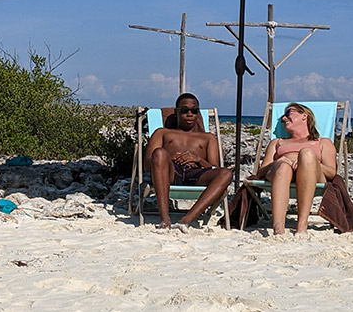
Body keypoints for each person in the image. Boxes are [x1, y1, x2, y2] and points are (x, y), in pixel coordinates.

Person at [144, 93, 233, 232]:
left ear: (198, 113)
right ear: (176, 112)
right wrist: (168, 156)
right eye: (184, 110)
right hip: (171, 172)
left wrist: (198, 159)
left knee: (226, 173)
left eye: (194, 110)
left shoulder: (208, 138)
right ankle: (165, 220)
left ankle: (185, 220)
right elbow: (147, 164)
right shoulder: (162, 132)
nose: (190, 114)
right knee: (159, 153)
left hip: (197, 173)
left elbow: (214, 167)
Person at [253, 103, 337, 235]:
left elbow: (332, 173)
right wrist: (277, 161)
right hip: (281, 175)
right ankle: (278, 228)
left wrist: (307, 162)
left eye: (288, 114)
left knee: (307, 154)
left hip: (312, 176)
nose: (284, 118)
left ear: (304, 116)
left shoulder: (323, 142)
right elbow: (261, 172)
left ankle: (302, 225)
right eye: (282, 117)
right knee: (283, 167)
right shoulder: (277, 142)